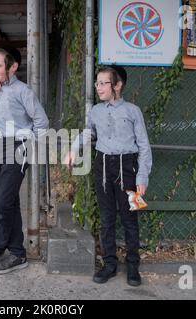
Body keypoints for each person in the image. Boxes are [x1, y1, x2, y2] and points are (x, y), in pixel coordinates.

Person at [65, 66, 152, 286]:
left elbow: (143, 146)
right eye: (97, 83)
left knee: (130, 218)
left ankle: (133, 266)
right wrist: (74, 149)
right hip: (103, 166)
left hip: (127, 169)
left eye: (103, 83)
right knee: (106, 218)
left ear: (117, 85)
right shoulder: (95, 111)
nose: (98, 87)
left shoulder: (133, 111)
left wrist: (142, 178)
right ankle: (109, 264)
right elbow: (88, 132)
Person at [0, 48, 49, 274]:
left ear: (12, 66)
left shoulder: (22, 91)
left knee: (2, 203)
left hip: (17, 147)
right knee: (10, 203)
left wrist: (27, 144)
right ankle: (17, 253)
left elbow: (42, 121)